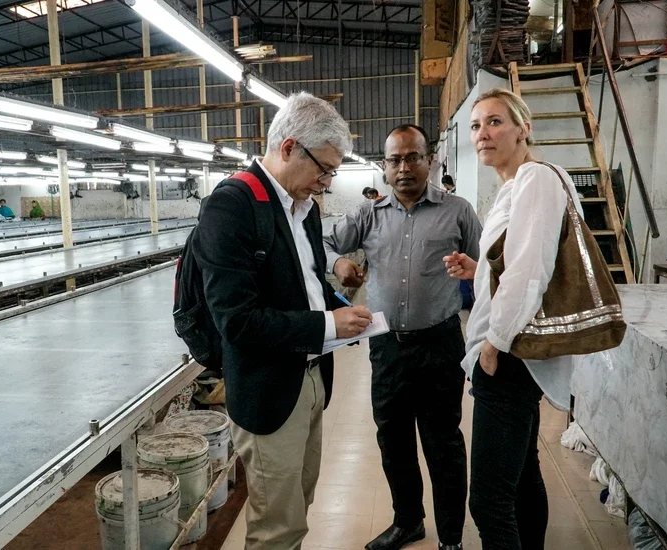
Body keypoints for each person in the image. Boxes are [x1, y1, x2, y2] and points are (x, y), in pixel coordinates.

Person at [192, 92, 374, 549]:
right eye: (325, 169)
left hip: (309, 378)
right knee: (276, 525)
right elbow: (238, 321)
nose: (327, 182)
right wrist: (330, 326)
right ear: (290, 147)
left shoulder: (304, 208)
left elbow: (306, 281)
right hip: (268, 387)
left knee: (297, 505)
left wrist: (337, 304)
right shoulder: (232, 206)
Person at [324, 123, 482, 550]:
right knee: (393, 441)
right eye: (395, 159)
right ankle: (408, 520)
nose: (405, 167)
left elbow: (486, 268)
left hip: (440, 344)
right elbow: (320, 242)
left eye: (414, 157)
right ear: (384, 167)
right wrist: (339, 263)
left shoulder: (459, 211)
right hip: (387, 347)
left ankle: (451, 538)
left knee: (443, 443)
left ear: (430, 161)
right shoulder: (367, 214)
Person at [444, 88, 583, 549]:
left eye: (496, 122)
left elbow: (530, 271)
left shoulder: (536, 180)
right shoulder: (513, 185)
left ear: (525, 129)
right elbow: (515, 262)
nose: (483, 133)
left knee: (488, 500)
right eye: (476, 125)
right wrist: (478, 269)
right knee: (522, 476)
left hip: (508, 356)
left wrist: (493, 343)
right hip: (508, 352)